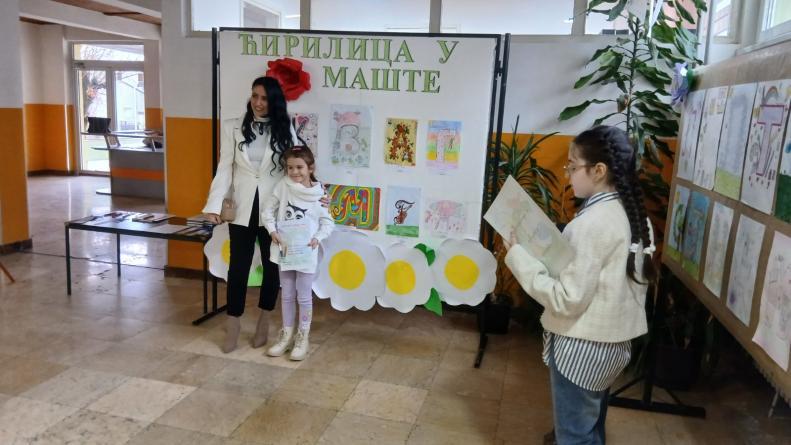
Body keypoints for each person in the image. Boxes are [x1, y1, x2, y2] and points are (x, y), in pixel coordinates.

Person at [502, 125, 657, 444]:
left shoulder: (590, 224)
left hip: (580, 349)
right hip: (612, 346)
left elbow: (566, 299)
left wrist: (517, 255)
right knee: (592, 425)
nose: (568, 174)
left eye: (573, 167)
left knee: (574, 436)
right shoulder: (635, 216)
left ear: (598, 171)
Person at [202, 76, 298, 353]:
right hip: (242, 208)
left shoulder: (285, 127)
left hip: (273, 211)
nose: (258, 102)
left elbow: (295, 166)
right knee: (238, 268)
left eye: (264, 98)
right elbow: (224, 168)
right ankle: (233, 324)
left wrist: (311, 194)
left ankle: (264, 322)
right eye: (255, 96)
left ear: (274, 101)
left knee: (271, 267)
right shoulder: (232, 126)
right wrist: (213, 205)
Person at [261, 146, 333, 361]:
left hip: (306, 253)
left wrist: (317, 238)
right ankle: (286, 335)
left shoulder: (320, 194)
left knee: (304, 296)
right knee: (287, 294)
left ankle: (303, 337)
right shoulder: (282, 186)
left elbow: (328, 222)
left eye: (299, 167)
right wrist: (272, 231)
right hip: (285, 251)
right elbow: (267, 210)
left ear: (310, 168)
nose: (294, 172)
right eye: (290, 167)